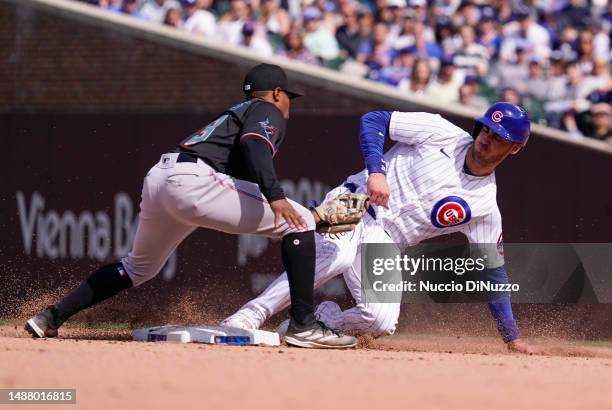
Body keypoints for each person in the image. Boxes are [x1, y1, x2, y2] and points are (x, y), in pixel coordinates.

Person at [24, 64, 357, 349]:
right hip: (193, 180)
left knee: (139, 268)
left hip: (161, 177)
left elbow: (240, 170)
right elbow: (255, 146)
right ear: (275, 93)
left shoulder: (235, 113)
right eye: (288, 97)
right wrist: (277, 198)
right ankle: (304, 323)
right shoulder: (266, 109)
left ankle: (50, 317)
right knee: (298, 222)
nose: (288, 106)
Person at [223, 102, 535, 354]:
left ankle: (322, 320)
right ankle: (248, 317)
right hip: (356, 200)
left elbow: (493, 271)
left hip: (385, 238)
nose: (486, 138)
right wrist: (376, 170)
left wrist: (511, 337)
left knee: (381, 321)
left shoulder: (484, 206)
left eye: (498, 138)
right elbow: (375, 119)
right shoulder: (441, 132)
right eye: (486, 129)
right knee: (338, 256)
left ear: (515, 149)